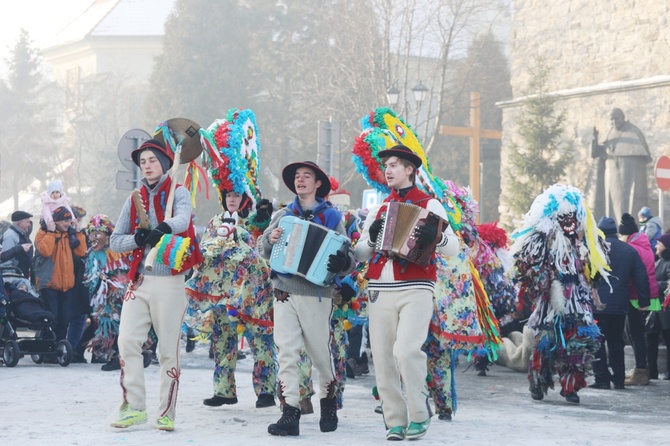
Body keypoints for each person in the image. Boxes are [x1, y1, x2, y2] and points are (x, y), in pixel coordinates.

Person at [355, 145, 459, 441]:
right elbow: (361, 252)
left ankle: (419, 413)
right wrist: (372, 239)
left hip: (416, 286)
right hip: (380, 288)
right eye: (386, 165)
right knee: (384, 358)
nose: (387, 170)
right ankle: (395, 421)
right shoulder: (378, 209)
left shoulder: (431, 205)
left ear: (410, 169)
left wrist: (437, 237)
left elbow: (452, 247)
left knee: (406, 350)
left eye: (394, 165)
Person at [109, 138, 202, 431]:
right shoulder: (133, 199)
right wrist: (137, 239)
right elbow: (115, 240)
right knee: (126, 342)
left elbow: (183, 219)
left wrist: (162, 227)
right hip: (139, 281)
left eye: (152, 160)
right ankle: (134, 406)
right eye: (143, 161)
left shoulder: (179, 191)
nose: (147, 165)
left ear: (163, 164)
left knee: (167, 351)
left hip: (171, 281)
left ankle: (166, 412)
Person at [258, 160, 355, 436]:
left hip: (317, 294)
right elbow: (262, 247)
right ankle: (290, 412)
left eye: (306, 176)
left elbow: (348, 258)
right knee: (286, 351)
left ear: (318, 184)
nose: (300, 180)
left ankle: (328, 400)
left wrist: (341, 264)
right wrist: (270, 239)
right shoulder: (283, 215)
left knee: (320, 355)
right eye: (297, 177)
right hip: (284, 290)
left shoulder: (333, 218)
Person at [512, 184, 611, 405]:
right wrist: (544, 279)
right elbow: (526, 266)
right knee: (545, 345)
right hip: (551, 304)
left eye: (573, 216)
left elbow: (598, 268)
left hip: (579, 303)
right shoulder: (542, 239)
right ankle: (538, 383)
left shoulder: (586, 239)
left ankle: (571, 387)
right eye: (564, 216)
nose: (569, 221)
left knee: (578, 344)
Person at [185, 189, 276, 409]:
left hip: (252, 292)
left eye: (236, 196)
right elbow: (204, 251)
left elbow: (264, 250)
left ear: (245, 199)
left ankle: (266, 392)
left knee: (260, 340)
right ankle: (224, 391)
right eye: (228, 196)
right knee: (222, 340)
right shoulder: (215, 221)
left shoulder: (255, 221)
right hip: (222, 290)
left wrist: (264, 223)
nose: (232, 200)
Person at [591, 217, 650, 390]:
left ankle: (601, 378)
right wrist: (644, 301)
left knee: (598, 342)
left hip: (598, 306)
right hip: (619, 306)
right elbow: (642, 277)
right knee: (616, 341)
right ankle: (618, 379)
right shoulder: (629, 251)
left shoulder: (596, 250)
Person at [34, 206, 87, 345]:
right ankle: (47, 347)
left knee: (64, 320)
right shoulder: (42, 233)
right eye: (65, 220)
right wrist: (51, 232)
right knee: (52, 318)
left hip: (67, 286)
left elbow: (82, 252)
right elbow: (45, 251)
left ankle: (59, 348)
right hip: (49, 285)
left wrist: (78, 233)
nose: (68, 223)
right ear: (55, 221)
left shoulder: (71, 235)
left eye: (70, 220)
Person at [618, 213, 658, 386]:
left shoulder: (633, 248)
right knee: (637, 335)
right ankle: (641, 370)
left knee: (635, 335)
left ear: (626, 234)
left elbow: (635, 274)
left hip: (637, 295)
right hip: (645, 293)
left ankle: (641, 371)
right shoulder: (644, 244)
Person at [592, 108, 652, 220]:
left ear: (623, 117)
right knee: (612, 200)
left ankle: (628, 226)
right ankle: (613, 226)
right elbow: (598, 153)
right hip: (611, 171)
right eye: (611, 119)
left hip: (628, 169)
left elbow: (644, 155)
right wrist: (594, 140)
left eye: (616, 118)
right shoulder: (610, 133)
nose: (614, 122)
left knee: (628, 199)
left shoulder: (633, 131)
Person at [648, 233, 670, 380]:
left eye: (659, 243)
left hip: (665, 309)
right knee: (650, 339)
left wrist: (653, 286)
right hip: (656, 308)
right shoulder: (659, 260)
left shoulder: (667, 262)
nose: (656, 245)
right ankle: (652, 371)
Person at [0, 210, 34, 278]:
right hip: (15, 278)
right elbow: (6, 261)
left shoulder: (21, 235)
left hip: (21, 276)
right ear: (20, 223)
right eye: (27, 222)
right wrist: (12, 279)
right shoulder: (11, 236)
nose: (29, 225)